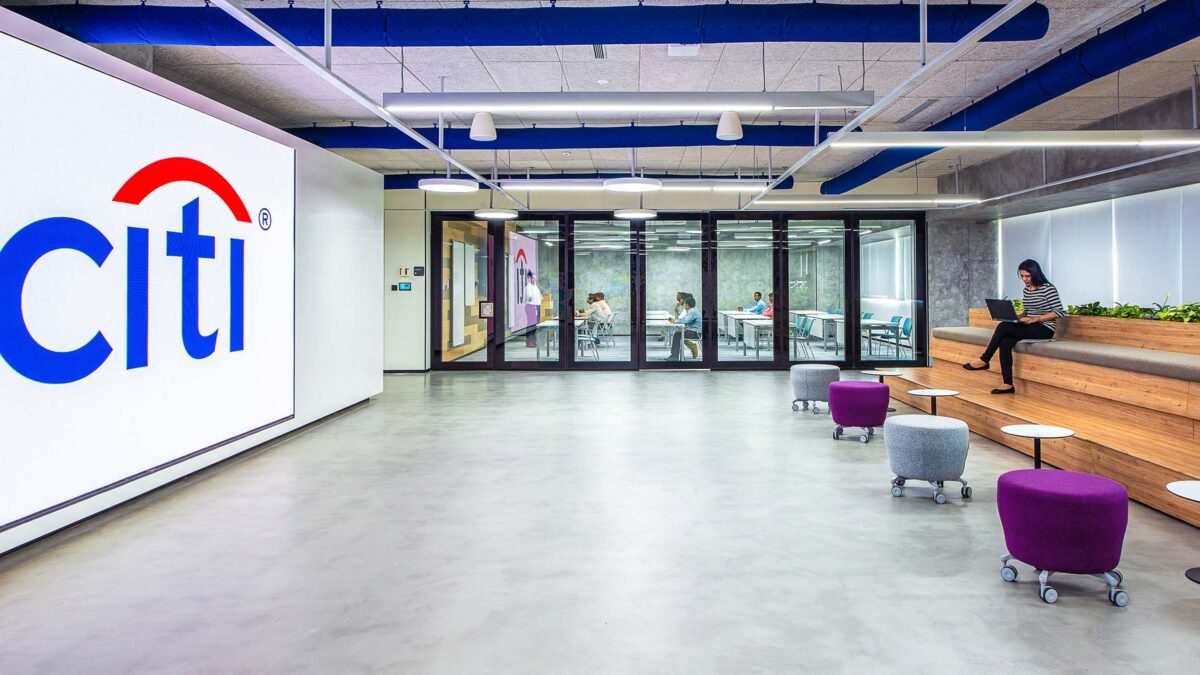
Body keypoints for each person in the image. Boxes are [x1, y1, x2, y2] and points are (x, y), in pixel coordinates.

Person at [963, 259, 1063, 394]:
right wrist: (1015, 316)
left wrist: (1036, 319)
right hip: (1029, 326)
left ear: (1036, 273)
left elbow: (1059, 312)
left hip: (1044, 328)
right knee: (1005, 342)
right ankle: (1007, 384)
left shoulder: (1048, 288)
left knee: (1003, 327)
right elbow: (1027, 311)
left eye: (1028, 276)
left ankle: (984, 359)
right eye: (1022, 276)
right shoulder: (1027, 290)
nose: (1025, 279)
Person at [667, 293, 701, 360]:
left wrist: (674, 321)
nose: (684, 306)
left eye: (685, 304)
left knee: (677, 334)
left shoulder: (692, 311)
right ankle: (674, 356)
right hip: (694, 331)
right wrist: (675, 320)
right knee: (678, 333)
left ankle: (674, 356)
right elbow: (683, 319)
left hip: (696, 333)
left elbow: (685, 321)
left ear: (688, 305)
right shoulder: (692, 310)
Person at [523, 271, 544, 348]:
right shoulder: (528, 287)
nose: (535, 279)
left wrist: (541, 296)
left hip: (537, 306)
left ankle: (533, 341)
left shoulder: (535, 286)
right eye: (533, 277)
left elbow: (538, 296)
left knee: (535, 325)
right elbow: (529, 297)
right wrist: (532, 297)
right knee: (531, 325)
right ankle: (529, 342)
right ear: (530, 278)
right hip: (531, 306)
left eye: (535, 277)